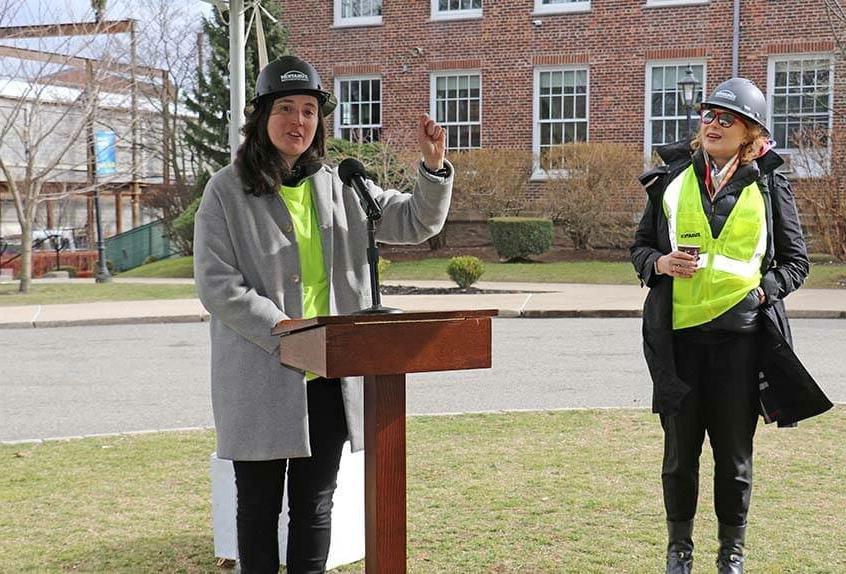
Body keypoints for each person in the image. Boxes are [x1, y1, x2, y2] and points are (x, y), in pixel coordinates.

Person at [193, 55, 452, 574]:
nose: (299, 121)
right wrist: (279, 327)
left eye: (309, 110)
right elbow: (217, 283)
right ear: (261, 117)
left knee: (315, 506)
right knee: (259, 509)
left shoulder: (341, 184)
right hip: (260, 375)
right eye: (286, 108)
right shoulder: (226, 189)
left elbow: (414, 220)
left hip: (331, 376)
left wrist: (432, 168)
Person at [630, 77, 832, 574]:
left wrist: (765, 290)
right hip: (678, 343)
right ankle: (679, 551)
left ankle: (731, 553)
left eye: (728, 119)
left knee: (734, 458)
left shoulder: (768, 183)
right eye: (708, 116)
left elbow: (796, 262)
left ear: (750, 133)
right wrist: (659, 264)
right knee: (680, 457)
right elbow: (638, 248)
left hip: (741, 344)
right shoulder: (671, 180)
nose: (714, 125)